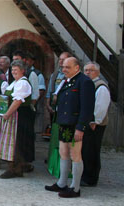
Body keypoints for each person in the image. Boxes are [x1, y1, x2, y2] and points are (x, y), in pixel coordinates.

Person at [45, 57, 94, 198]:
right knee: (63, 152)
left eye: (67, 67)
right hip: (64, 123)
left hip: (75, 124)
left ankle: (75, 188)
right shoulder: (67, 81)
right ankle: (62, 183)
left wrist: (80, 128)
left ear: (77, 67)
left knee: (75, 155)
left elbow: (87, 108)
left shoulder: (85, 82)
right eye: (63, 67)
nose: (64, 69)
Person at [0, 60, 33, 179]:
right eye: (13, 69)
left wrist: (7, 114)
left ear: (23, 71)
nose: (14, 71)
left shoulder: (23, 83)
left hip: (19, 115)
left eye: (16, 69)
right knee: (12, 142)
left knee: (16, 142)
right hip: (12, 114)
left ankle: (15, 169)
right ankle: (15, 167)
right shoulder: (15, 82)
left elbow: (18, 101)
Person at [82, 62, 110, 187]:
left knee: (92, 150)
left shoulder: (101, 86)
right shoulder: (88, 85)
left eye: (91, 70)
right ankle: (85, 175)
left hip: (95, 124)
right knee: (85, 150)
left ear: (97, 72)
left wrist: (95, 121)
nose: (88, 72)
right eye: (86, 70)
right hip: (87, 122)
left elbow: (101, 106)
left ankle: (91, 178)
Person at [46, 52, 72, 178]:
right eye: (60, 60)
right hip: (55, 110)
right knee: (54, 137)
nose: (61, 62)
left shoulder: (73, 78)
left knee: (64, 140)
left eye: (64, 60)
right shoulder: (55, 74)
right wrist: (48, 104)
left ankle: (64, 168)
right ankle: (52, 161)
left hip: (67, 113)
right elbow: (50, 90)